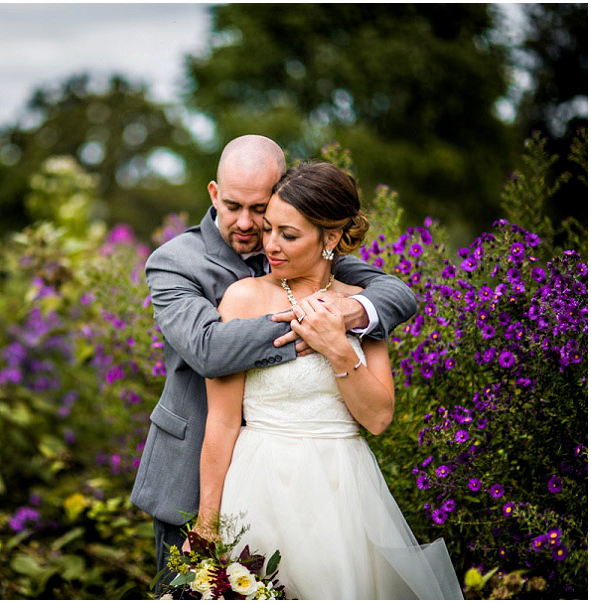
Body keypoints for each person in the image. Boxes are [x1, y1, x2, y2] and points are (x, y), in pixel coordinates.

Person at [130, 135, 419, 581]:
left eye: (262, 212)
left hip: (333, 485)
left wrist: (351, 315)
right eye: (232, 206)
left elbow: (394, 292)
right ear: (213, 194)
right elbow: (208, 350)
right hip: (194, 475)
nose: (251, 228)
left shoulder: (324, 263)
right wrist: (313, 325)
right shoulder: (175, 262)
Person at [196, 161, 461, 598]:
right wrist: (207, 522)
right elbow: (222, 421)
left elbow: (377, 418)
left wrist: (337, 348)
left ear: (331, 238)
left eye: (289, 234)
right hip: (260, 481)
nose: (271, 246)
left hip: (343, 491)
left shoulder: (360, 305)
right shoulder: (244, 298)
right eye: (269, 230)